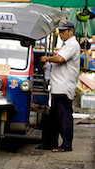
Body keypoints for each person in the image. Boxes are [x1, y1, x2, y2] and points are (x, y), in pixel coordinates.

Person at [39, 20, 80, 152]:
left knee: (64, 117)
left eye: (63, 31)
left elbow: (61, 59)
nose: (61, 34)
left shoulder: (72, 44)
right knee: (54, 118)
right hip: (58, 86)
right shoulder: (65, 44)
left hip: (64, 86)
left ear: (71, 31)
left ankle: (67, 145)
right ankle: (50, 143)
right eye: (60, 31)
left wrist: (47, 59)